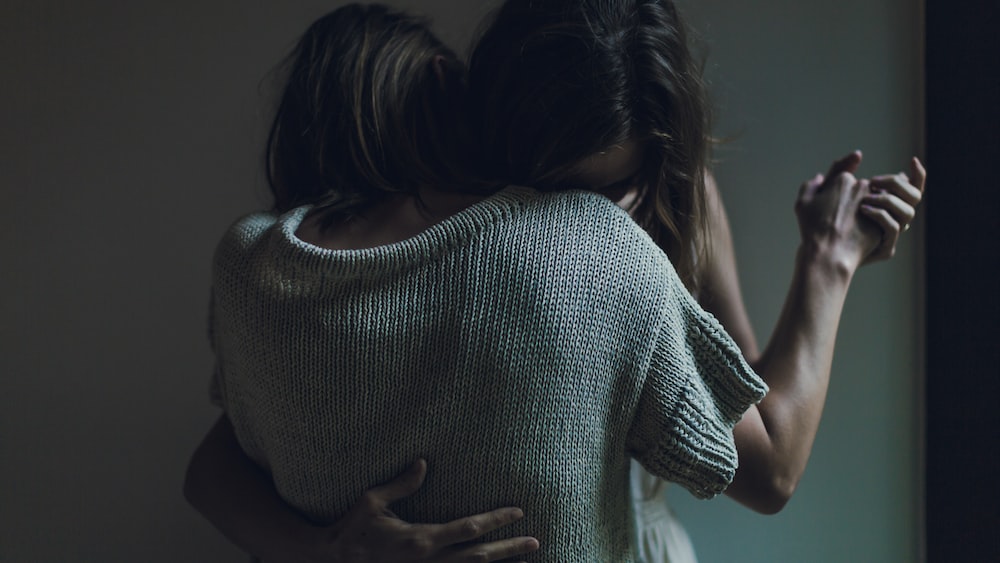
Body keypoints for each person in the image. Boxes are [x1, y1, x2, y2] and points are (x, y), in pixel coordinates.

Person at [184, 1, 925, 562]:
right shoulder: (586, 248)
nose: (564, 214)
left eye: (604, 193)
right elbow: (775, 465)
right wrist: (831, 258)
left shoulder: (667, 199)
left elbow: (755, 426)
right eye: (550, 186)